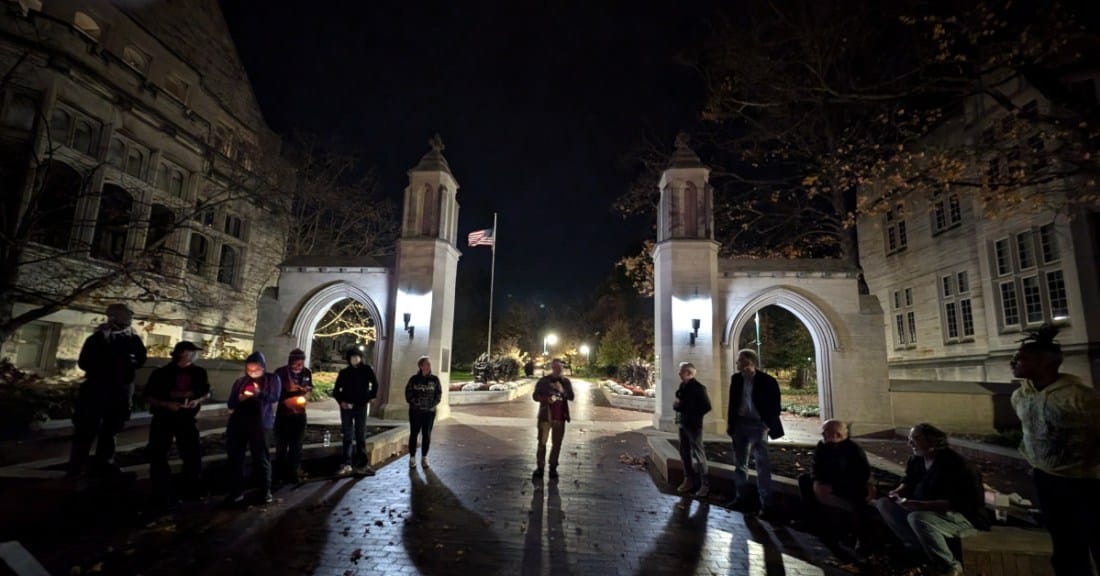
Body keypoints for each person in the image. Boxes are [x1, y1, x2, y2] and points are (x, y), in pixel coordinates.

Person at [1010, 325, 1100, 576]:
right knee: (1065, 548)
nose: (1014, 362)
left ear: (1043, 363)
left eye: (1022, 358)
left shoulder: (1081, 398)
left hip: (1085, 483)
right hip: (1047, 479)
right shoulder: (1020, 396)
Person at [872, 423, 989, 576]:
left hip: (964, 516)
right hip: (925, 510)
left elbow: (961, 502)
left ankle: (950, 565)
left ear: (932, 441)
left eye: (915, 439)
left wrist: (920, 505)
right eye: (909, 439)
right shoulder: (917, 459)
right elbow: (909, 480)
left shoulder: (956, 465)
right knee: (884, 504)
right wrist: (898, 491)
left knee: (917, 518)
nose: (910, 443)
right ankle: (918, 548)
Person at [66, 303, 147, 479]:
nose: (128, 320)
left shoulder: (133, 339)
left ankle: (104, 464)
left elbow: (140, 360)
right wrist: (109, 365)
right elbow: (84, 363)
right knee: (85, 430)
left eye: (129, 317)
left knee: (111, 430)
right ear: (113, 317)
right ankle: (76, 467)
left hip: (120, 392)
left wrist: (126, 365)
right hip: (95, 391)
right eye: (125, 316)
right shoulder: (97, 339)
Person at [144, 341, 210, 508]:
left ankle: (191, 489)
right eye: (193, 352)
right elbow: (149, 395)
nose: (196, 355)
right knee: (158, 453)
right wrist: (166, 404)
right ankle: (161, 492)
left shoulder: (199, 372)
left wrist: (196, 400)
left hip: (187, 418)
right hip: (163, 418)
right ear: (183, 353)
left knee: (192, 453)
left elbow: (206, 392)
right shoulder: (162, 373)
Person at [797, 420, 874, 548]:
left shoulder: (853, 450)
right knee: (804, 480)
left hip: (846, 485)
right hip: (826, 482)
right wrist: (818, 482)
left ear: (837, 435)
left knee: (859, 499)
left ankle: (861, 537)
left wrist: (833, 486)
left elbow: (860, 476)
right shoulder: (822, 446)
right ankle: (812, 522)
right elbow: (815, 467)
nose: (822, 435)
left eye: (825, 433)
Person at [726, 348, 784, 516]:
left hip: (759, 425)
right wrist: (732, 425)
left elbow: (775, 406)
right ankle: (741, 499)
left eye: (739, 360)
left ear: (748, 361)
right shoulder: (736, 379)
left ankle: (767, 504)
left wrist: (767, 424)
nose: (736, 363)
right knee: (740, 464)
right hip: (741, 424)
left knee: (762, 464)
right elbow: (733, 403)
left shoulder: (767, 381)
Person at [225, 351, 280, 505]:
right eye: (249, 370)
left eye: (256, 370)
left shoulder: (272, 379)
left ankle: (265, 491)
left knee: (261, 457)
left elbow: (274, 397)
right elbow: (231, 403)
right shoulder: (241, 381)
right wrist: (240, 399)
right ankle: (236, 492)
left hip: (260, 423)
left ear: (263, 367)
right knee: (235, 457)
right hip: (239, 424)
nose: (252, 373)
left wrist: (259, 393)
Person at [333, 347, 378, 476]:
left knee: (360, 435)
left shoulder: (366, 370)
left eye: (357, 356)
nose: (355, 359)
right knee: (347, 435)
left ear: (360, 357)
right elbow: (336, 390)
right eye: (352, 357)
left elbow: (375, 384)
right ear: (349, 359)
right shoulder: (344, 372)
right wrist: (342, 402)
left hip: (361, 407)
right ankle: (347, 463)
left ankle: (363, 464)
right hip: (346, 407)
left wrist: (370, 397)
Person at [274, 348, 313, 485]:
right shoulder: (280, 373)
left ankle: (293, 473)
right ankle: (278, 475)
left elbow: (309, 388)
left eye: (301, 363)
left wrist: (306, 394)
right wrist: (287, 400)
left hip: (300, 414)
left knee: (297, 446)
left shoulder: (307, 372)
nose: (299, 366)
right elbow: (276, 392)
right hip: (283, 414)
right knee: (282, 446)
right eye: (296, 363)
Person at [673, 362, 712, 497]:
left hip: (694, 425)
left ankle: (704, 484)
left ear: (689, 373)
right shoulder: (683, 386)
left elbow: (706, 406)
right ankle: (688, 479)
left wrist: (685, 409)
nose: (679, 373)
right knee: (684, 452)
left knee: (698, 453)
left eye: (682, 371)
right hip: (683, 423)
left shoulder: (698, 388)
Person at [532, 358, 575, 480]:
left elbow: (571, 397)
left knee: (557, 444)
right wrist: (547, 399)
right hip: (545, 417)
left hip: (560, 418)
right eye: (555, 367)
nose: (558, 370)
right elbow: (535, 396)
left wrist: (563, 391)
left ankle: (553, 467)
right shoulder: (544, 381)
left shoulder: (565, 382)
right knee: (542, 443)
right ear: (552, 368)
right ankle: (540, 467)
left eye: (560, 368)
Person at [406, 356, 442, 469]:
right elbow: (408, 394)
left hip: (429, 413)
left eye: (429, 364)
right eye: (426, 364)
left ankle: (424, 457)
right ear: (421, 366)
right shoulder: (414, 379)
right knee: (414, 434)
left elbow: (438, 394)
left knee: (426, 435)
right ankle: (412, 457)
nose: (428, 366)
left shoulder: (435, 380)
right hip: (415, 412)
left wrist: (430, 405)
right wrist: (416, 404)